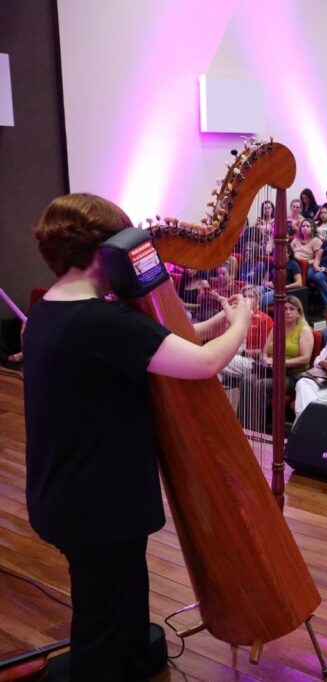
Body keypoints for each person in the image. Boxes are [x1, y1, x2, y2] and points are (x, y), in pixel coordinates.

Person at [25, 193, 255, 680]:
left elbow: (158, 348)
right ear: (104, 252)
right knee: (102, 621)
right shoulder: (102, 320)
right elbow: (206, 363)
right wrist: (241, 322)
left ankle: (131, 657)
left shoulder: (50, 310)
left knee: (123, 589)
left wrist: (216, 321)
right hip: (98, 505)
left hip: (68, 492)